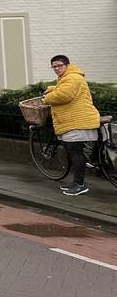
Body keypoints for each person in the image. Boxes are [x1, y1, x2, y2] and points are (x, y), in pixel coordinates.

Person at [43, 55, 101, 196]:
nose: (56, 69)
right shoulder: (67, 78)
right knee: (75, 153)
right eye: (54, 66)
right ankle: (76, 182)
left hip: (78, 122)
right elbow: (62, 89)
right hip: (75, 121)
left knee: (76, 153)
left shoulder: (73, 77)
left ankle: (80, 185)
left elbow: (64, 94)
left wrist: (47, 98)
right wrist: (52, 89)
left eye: (59, 65)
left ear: (67, 65)